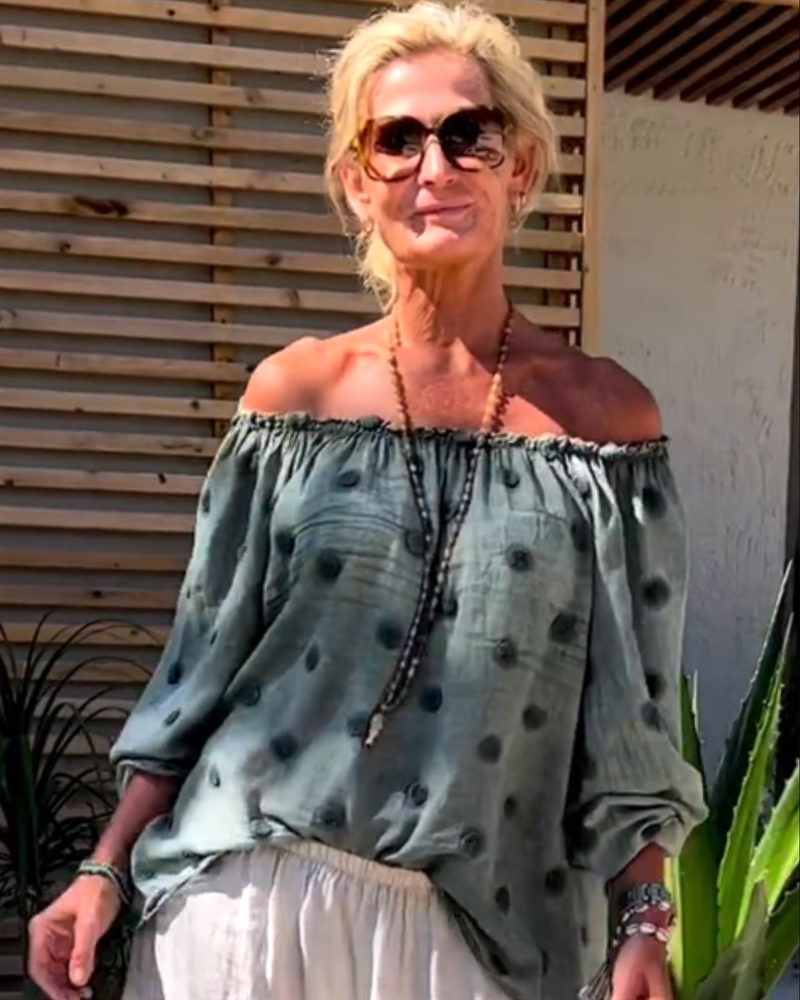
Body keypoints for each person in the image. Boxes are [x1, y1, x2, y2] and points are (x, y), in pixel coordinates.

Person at [27, 3, 707, 999]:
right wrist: (102, 871)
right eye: (397, 139)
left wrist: (644, 921)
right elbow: (196, 672)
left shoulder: (604, 423)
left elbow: (630, 716)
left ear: (519, 166)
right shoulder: (292, 398)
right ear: (356, 179)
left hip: (478, 929)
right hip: (244, 901)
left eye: (468, 133)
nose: (434, 166)